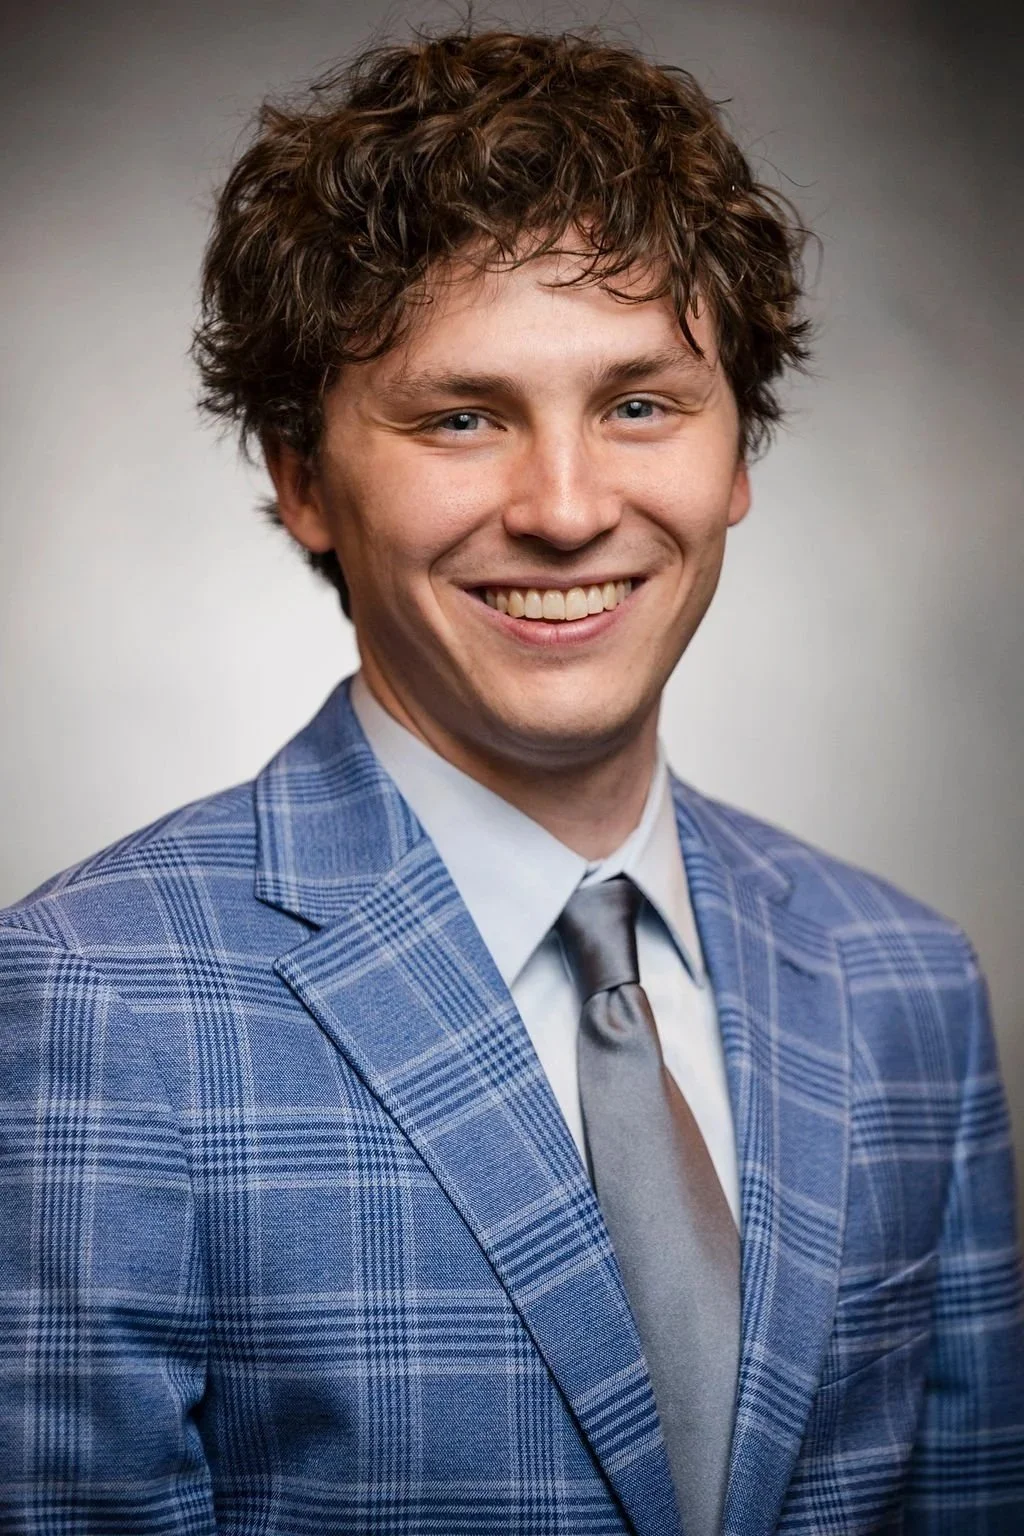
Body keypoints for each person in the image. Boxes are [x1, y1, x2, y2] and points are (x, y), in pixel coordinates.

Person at [1, 23, 1021, 1535]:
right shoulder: (95, 1004)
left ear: (738, 448)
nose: (565, 508)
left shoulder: (903, 985)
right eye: (461, 416)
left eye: (640, 404)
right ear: (300, 479)